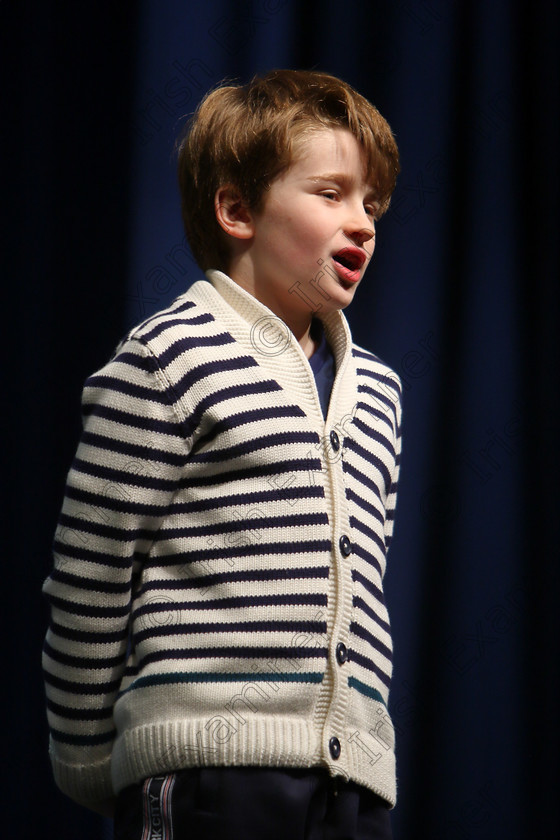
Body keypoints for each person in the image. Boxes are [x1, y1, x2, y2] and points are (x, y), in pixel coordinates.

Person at [42, 69, 402, 839]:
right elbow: (90, 577)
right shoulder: (172, 357)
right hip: (211, 775)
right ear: (238, 209)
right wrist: (88, 762)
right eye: (331, 193)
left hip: (350, 788)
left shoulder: (378, 393)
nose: (364, 222)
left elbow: (362, 587)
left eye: (372, 203)